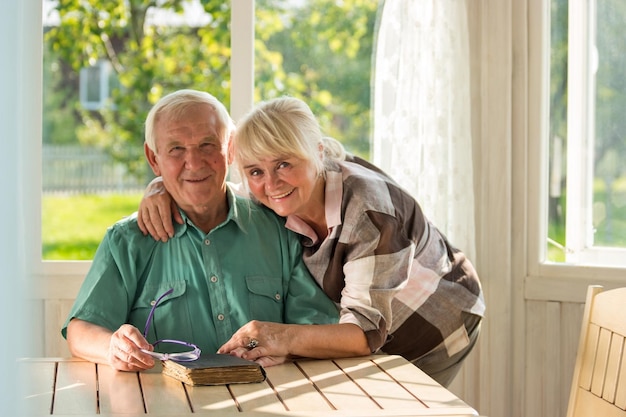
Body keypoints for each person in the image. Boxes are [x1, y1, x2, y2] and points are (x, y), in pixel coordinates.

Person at [138, 96, 485, 387]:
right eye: (256, 171)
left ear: (316, 153)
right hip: (373, 327)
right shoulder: (272, 193)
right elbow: (212, 191)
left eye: (284, 164)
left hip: (437, 320)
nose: (271, 183)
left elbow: (364, 332)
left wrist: (280, 337)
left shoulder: (370, 211)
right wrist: (160, 187)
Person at [62, 90, 339, 372]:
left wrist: (288, 348)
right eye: (176, 150)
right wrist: (113, 347)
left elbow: (314, 324)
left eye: (207, 145)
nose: (194, 163)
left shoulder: (279, 228)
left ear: (230, 149)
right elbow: (81, 330)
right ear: (153, 158)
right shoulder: (127, 240)